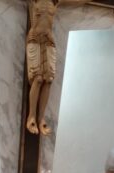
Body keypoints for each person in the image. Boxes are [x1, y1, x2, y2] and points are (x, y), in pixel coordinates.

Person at [25, 0, 91, 135]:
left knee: (48, 79)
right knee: (37, 78)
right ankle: (31, 116)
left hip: (49, 40)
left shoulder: (56, 2)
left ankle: (41, 118)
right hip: (35, 39)